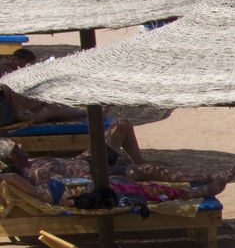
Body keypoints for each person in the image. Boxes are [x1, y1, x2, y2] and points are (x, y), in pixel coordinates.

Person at [2, 50, 147, 164]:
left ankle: (91, 113)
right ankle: (139, 161)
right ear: (19, 61)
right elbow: (17, 104)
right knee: (53, 108)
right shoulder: (12, 77)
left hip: (23, 114)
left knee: (53, 107)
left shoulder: (12, 76)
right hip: (20, 117)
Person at [1, 139, 224, 204]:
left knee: (146, 172)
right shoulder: (33, 179)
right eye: (15, 147)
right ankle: (200, 190)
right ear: (11, 158)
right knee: (145, 188)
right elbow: (9, 177)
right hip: (99, 183)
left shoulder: (35, 168)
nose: (20, 145)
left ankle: (202, 179)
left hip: (95, 174)